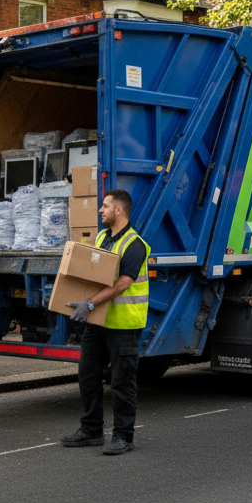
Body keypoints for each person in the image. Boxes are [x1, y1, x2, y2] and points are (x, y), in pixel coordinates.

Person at [60, 189, 151, 456]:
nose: (101, 210)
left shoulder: (135, 245)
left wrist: (89, 303)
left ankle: (123, 436)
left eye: (105, 206)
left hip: (123, 324)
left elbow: (124, 283)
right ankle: (91, 431)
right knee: (87, 374)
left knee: (122, 382)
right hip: (98, 321)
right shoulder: (102, 237)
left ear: (119, 210)